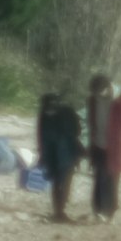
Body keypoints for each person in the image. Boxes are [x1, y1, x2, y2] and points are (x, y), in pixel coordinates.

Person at [36, 85, 86, 222]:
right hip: (53, 155)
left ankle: (61, 209)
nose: (48, 113)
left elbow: (77, 131)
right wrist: (42, 155)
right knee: (56, 182)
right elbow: (41, 136)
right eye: (46, 111)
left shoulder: (67, 113)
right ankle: (58, 211)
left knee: (65, 182)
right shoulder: (44, 114)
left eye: (50, 110)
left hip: (67, 154)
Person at [88, 75, 121, 221]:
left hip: (114, 148)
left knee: (112, 180)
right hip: (98, 145)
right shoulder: (93, 101)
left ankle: (109, 212)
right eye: (95, 93)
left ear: (107, 88)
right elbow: (91, 120)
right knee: (99, 178)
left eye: (99, 92)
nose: (97, 95)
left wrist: (119, 137)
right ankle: (98, 210)